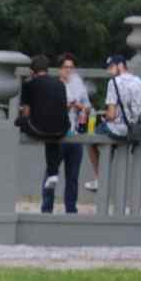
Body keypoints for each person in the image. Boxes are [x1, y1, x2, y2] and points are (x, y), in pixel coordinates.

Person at [86, 54, 141, 192]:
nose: (109, 71)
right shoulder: (140, 82)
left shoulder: (114, 82)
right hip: (135, 131)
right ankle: (103, 176)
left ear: (121, 65)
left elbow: (111, 114)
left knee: (91, 140)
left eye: (111, 67)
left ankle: (99, 178)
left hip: (118, 130)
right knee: (109, 140)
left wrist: (105, 116)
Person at [17, 54, 71, 203]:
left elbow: (26, 111)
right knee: (52, 134)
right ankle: (53, 173)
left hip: (40, 129)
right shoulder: (60, 83)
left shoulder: (29, 84)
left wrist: (24, 121)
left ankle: (52, 173)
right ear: (47, 69)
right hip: (62, 129)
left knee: (20, 121)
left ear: (32, 71)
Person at [43, 52, 91, 214]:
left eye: (71, 67)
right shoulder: (54, 86)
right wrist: (66, 106)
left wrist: (80, 107)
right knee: (51, 173)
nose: (69, 70)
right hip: (58, 135)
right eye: (65, 67)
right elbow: (47, 110)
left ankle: (71, 210)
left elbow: (88, 108)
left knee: (73, 176)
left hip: (75, 134)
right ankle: (46, 209)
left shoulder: (80, 87)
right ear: (60, 69)